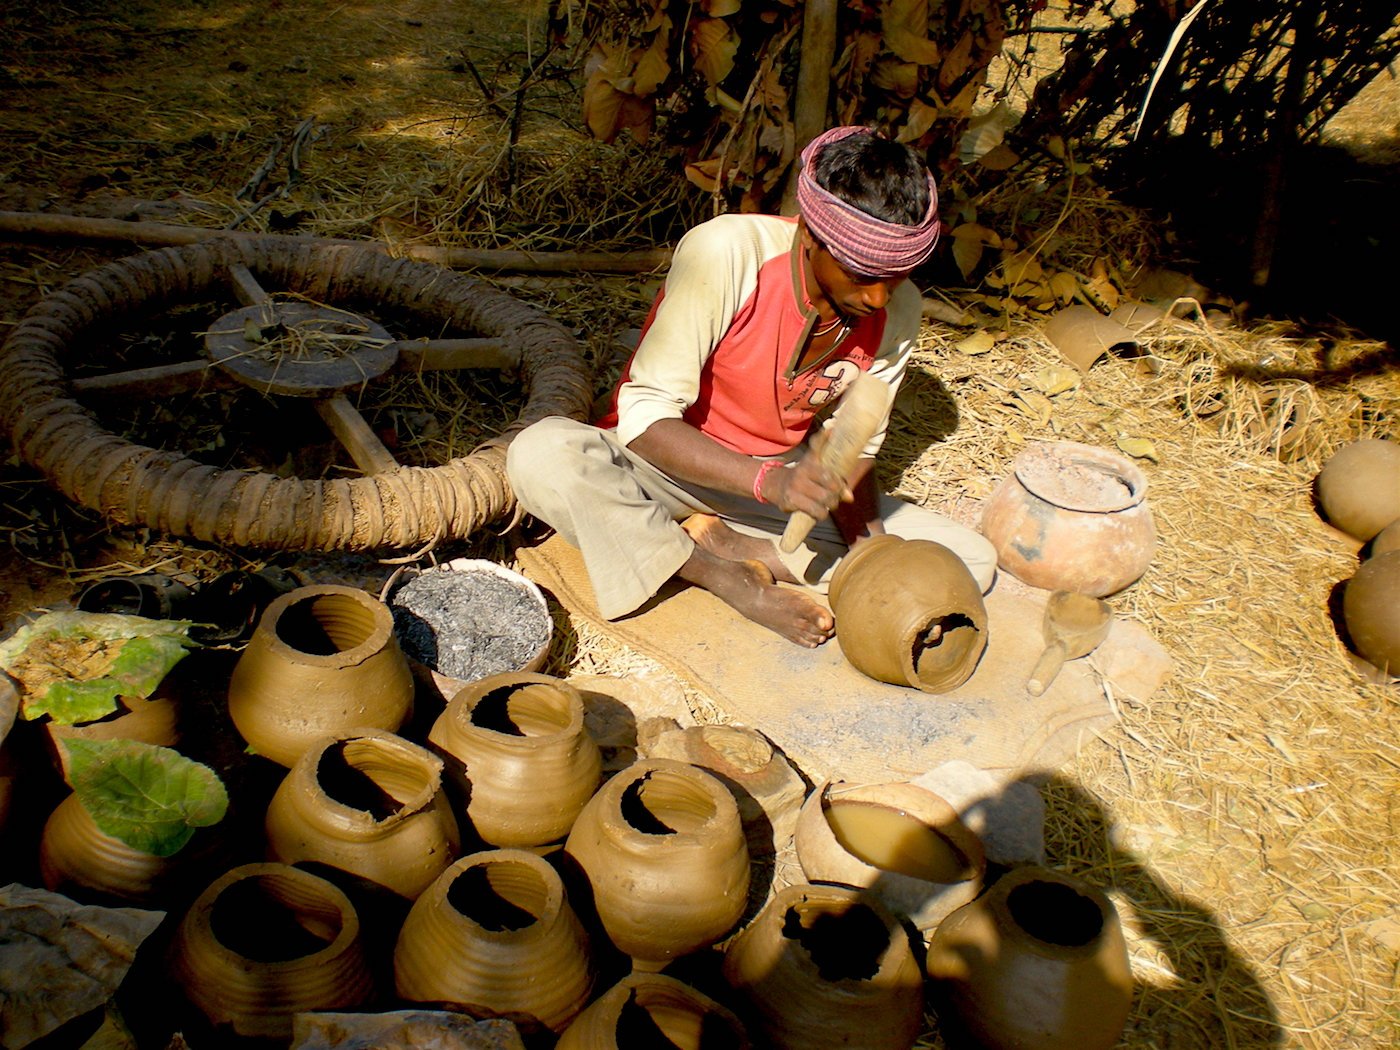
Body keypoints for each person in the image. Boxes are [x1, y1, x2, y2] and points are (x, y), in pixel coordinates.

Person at [506, 126, 996, 648]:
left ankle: (727, 545)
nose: (878, 297)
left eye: (895, 276)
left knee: (969, 562)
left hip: (771, 498)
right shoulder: (728, 252)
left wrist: (871, 551)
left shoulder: (898, 310)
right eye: (861, 274)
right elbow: (645, 418)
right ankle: (722, 575)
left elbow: (854, 450)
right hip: (658, 467)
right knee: (541, 453)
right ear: (809, 235)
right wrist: (769, 483)